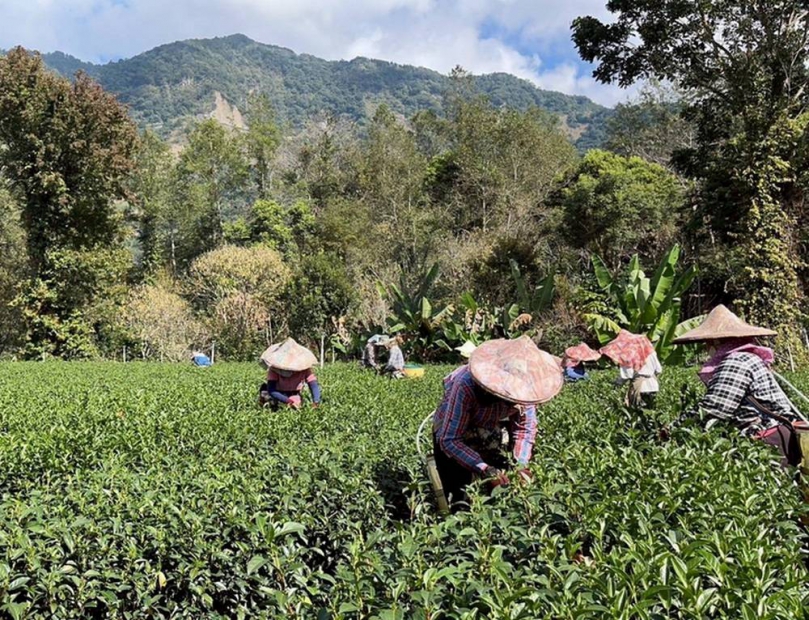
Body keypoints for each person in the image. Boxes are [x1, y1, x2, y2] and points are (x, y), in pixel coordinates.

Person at [432, 336, 563, 507]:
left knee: (500, 489)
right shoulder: (465, 385)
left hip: (488, 429)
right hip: (452, 432)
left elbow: (524, 430)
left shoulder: (527, 390)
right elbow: (449, 439)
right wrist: (484, 469)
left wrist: (520, 465)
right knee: (458, 494)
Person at [664, 305, 801, 467]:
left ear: (716, 342)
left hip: (766, 439)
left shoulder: (736, 361)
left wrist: (673, 429)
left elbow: (714, 408)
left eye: (707, 344)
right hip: (776, 435)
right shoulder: (748, 357)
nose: (707, 349)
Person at [601, 330, 661, 408]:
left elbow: (626, 375)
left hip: (640, 388)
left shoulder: (629, 355)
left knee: (637, 412)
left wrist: (615, 384)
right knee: (651, 412)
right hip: (654, 386)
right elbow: (659, 370)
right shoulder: (651, 353)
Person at [258, 338, 322, 410]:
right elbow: (272, 390)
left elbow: (313, 385)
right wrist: (288, 401)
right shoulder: (274, 369)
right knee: (270, 402)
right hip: (277, 394)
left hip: (293, 393)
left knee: (296, 407)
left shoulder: (304, 369)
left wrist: (316, 401)